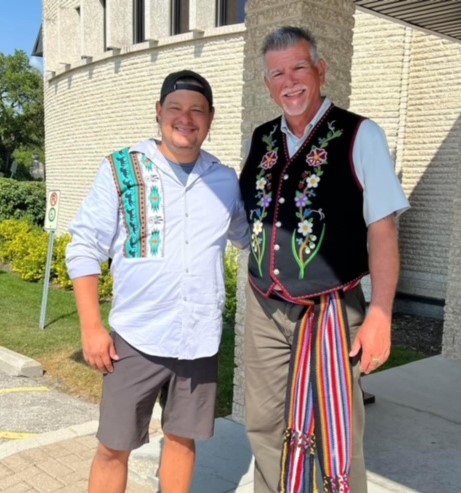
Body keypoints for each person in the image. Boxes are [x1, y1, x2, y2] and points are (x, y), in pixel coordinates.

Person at [239, 26, 410, 493]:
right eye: (277, 73)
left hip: (333, 308)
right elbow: (244, 213)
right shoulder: (262, 138)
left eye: (298, 67)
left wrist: (381, 313)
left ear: (320, 69)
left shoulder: (360, 134)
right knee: (264, 423)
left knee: (337, 426)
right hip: (265, 304)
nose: (289, 81)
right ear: (267, 82)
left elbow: (382, 229)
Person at [66, 69, 249, 493]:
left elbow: (247, 236)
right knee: (114, 446)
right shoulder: (121, 169)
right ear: (158, 112)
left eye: (197, 110)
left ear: (211, 118)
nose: (186, 118)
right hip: (136, 337)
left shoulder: (224, 181)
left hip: (199, 339)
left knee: (183, 440)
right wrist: (92, 328)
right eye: (176, 108)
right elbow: (84, 247)